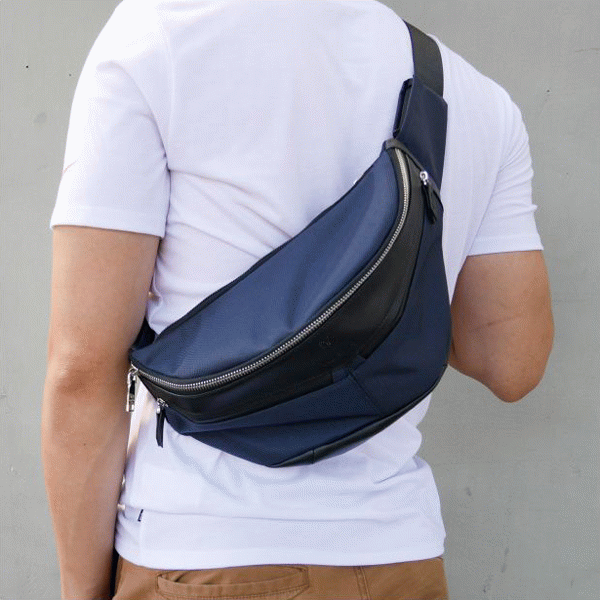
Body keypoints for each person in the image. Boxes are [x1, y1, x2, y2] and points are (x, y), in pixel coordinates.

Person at [42, 1, 554, 599]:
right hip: (400, 557)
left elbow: (81, 371)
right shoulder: (472, 96)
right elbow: (511, 362)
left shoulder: (158, 37)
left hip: (208, 554)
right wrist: (393, 290)